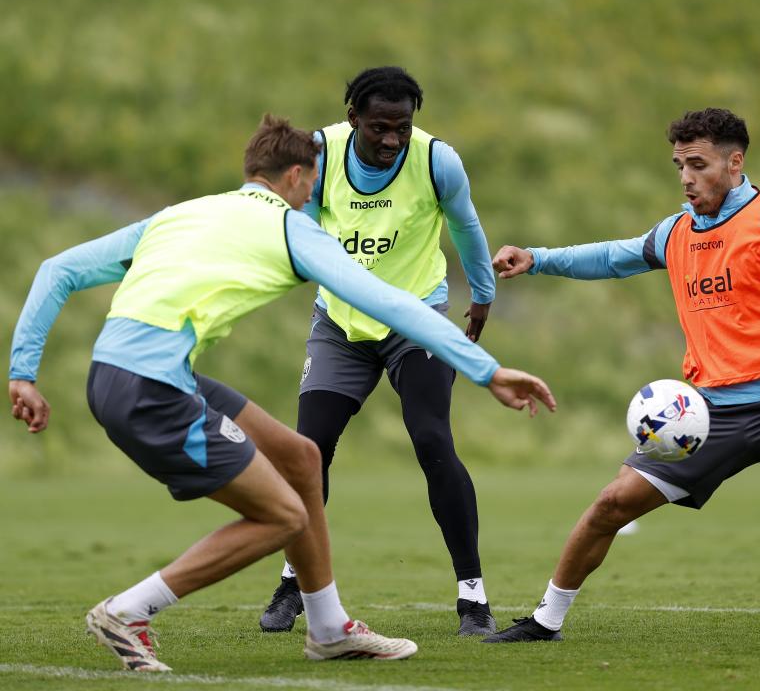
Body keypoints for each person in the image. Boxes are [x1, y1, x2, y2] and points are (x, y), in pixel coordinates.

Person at [7, 114, 556, 672]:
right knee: (284, 517)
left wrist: (22, 373)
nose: (314, 193)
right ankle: (128, 611)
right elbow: (389, 302)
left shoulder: (181, 214)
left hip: (119, 372)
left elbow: (59, 270)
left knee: (302, 457)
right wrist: (488, 371)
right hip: (152, 391)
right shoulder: (292, 230)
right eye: (313, 182)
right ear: (297, 175)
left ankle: (328, 628)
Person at [482, 107, 760, 644]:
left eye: (699, 164)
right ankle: (545, 620)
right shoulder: (676, 232)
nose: (687, 178)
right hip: (709, 411)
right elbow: (612, 257)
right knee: (611, 505)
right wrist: (538, 257)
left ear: (735, 163)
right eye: (679, 165)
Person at [258, 67, 501, 637]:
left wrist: (483, 294)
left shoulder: (438, 161)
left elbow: (465, 225)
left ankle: (473, 599)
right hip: (339, 324)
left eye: (402, 127)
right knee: (307, 452)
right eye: (379, 128)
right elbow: (294, 225)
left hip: (415, 321)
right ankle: (294, 583)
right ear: (353, 120)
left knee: (433, 439)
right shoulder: (318, 154)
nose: (392, 139)